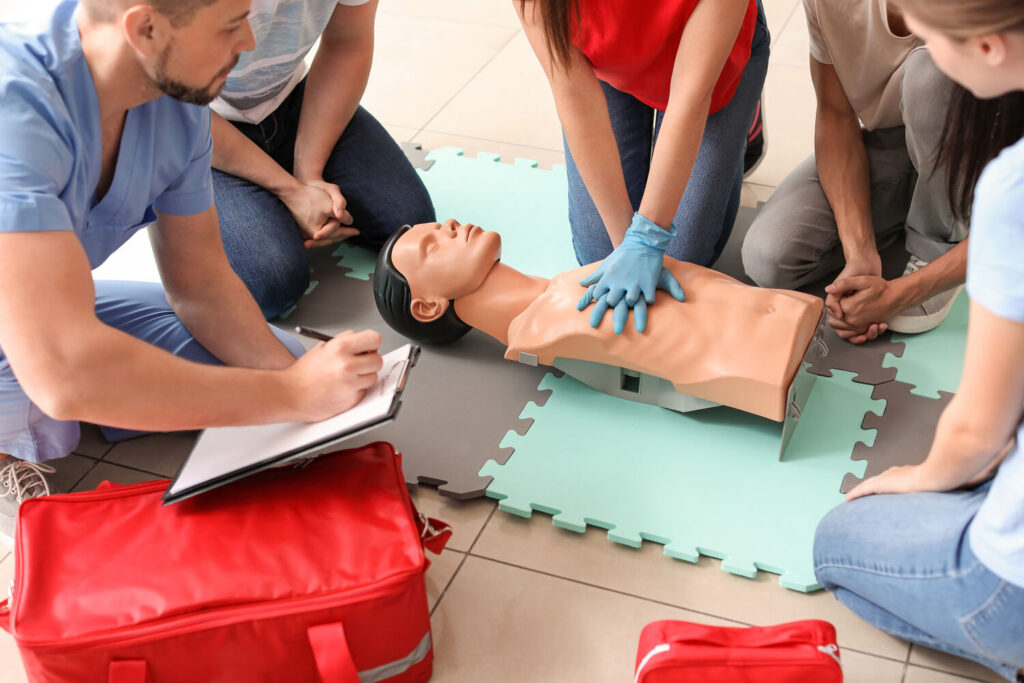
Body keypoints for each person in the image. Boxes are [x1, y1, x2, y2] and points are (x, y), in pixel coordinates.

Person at [0, 0, 383, 547]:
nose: (250, 42)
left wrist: (297, 390)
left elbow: (201, 286)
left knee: (292, 367)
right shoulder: (13, 113)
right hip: (35, 337)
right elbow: (64, 375)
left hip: (33, 306)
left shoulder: (172, 97)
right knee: (56, 390)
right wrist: (292, 398)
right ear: (146, 28)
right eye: (232, 25)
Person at [812, 1, 1024, 680]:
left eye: (929, 36)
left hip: (1013, 585)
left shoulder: (1012, 188)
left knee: (838, 541)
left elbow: (979, 433)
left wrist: (917, 477)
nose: (917, 47)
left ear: (987, 46)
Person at [373, 220, 823, 422]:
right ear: (428, 306)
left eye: (438, 224)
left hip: (787, 318)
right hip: (773, 360)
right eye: (433, 246)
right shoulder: (553, 329)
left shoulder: (570, 285)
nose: (449, 224)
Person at [516, 0, 770, 334]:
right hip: (611, 62)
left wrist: (648, 238)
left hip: (707, 61)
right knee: (598, 254)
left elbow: (690, 95)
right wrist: (626, 245)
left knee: (683, 258)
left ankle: (744, 121)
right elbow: (572, 91)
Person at [742, 1, 965, 344]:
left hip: (987, 153)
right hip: (894, 140)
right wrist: (859, 253)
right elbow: (834, 115)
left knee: (932, 73)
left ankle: (944, 239)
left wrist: (901, 294)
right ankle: (916, 209)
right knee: (768, 257)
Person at [210, 0, 435, 319]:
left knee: (412, 225)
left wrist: (309, 176)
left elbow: (348, 42)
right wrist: (293, 192)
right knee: (271, 284)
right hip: (195, 127)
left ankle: (281, 208)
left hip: (293, 98)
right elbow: (170, 109)